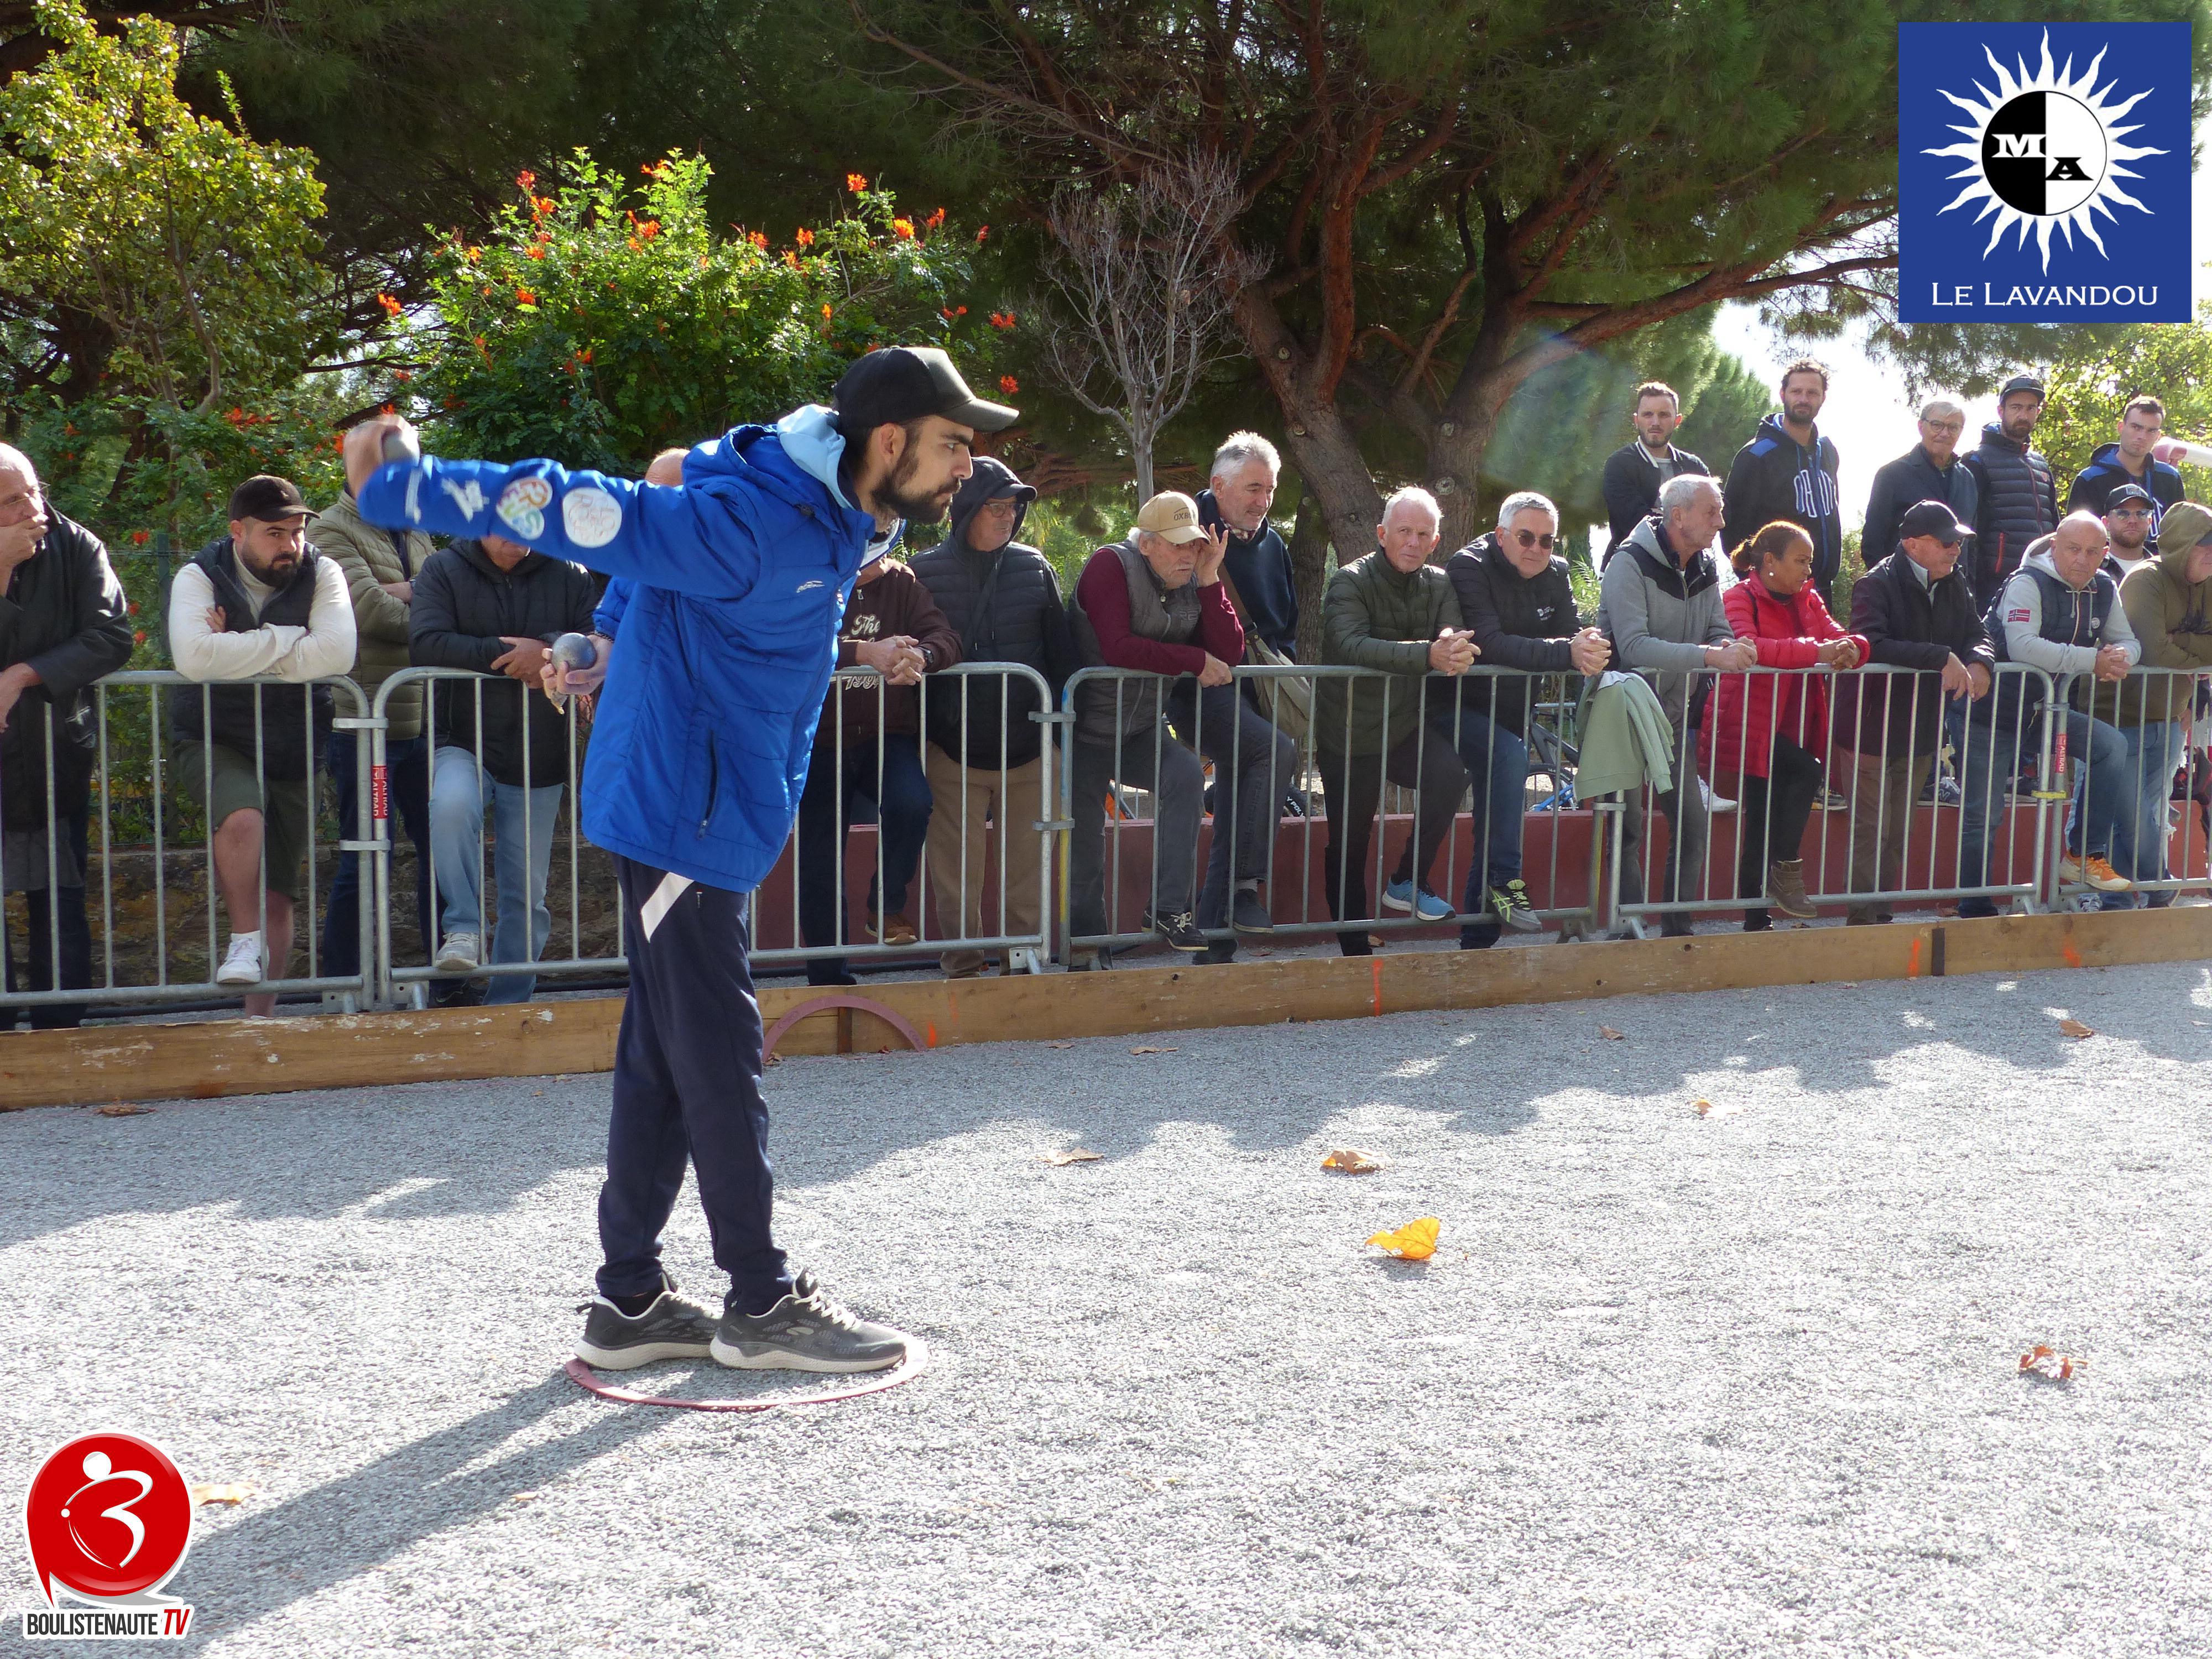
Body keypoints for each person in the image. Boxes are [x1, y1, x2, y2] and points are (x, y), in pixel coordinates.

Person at [357, 344, 1011, 1374]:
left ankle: (629, 1301)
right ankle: (759, 1299)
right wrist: (415, 485)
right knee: (717, 1047)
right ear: (889, 440)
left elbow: (657, 570)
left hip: (715, 807)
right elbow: (599, 513)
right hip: (683, 815)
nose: (967, 468)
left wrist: (605, 632)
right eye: (952, 445)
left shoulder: (833, 508)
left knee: (663, 1054)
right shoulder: (755, 516)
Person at [1066, 490, 1293, 963]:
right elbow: (1117, 647)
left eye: (1193, 544)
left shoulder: (1194, 575)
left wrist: (1211, 582)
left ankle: (1169, 910)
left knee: (1187, 774)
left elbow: (1230, 654)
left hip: (1141, 728)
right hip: (1083, 729)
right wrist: (1193, 660)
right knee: (1086, 848)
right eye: (1177, 545)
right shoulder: (1109, 565)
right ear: (1146, 544)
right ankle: (1087, 952)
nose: (1187, 554)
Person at [168, 474, 357, 1016]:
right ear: (237, 531)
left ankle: (260, 1022)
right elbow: (194, 658)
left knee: (280, 893)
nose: (290, 545)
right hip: (212, 735)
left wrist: (237, 648)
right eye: (275, 533)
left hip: (295, 744)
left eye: (297, 531)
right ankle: (243, 942)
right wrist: (291, 638)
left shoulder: (323, 572)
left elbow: (339, 653)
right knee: (243, 817)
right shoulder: (198, 574)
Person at [409, 530, 598, 1002]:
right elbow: (426, 644)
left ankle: (510, 1005)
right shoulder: (443, 568)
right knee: (451, 806)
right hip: (462, 738)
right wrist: (514, 654)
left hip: (541, 750)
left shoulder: (570, 570)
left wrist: (549, 652)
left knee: (525, 896)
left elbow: (592, 640)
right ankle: (464, 928)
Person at [910, 457, 1079, 978]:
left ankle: (1023, 961)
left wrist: (1058, 739)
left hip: (1029, 747)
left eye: (1012, 509)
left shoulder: (1034, 566)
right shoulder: (921, 572)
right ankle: (961, 964)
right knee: (954, 872)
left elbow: (1063, 656)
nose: (1007, 518)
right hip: (951, 749)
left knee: (1027, 870)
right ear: (964, 510)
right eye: (995, 507)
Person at [0, 445, 132, 1029]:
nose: (34, 508)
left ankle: (62, 1032)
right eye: (11, 501)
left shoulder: (78, 545)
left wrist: (23, 675)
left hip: (55, 753)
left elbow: (112, 637)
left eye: (34, 490)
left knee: (60, 896)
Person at [1314, 487, 1475, 954]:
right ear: (1382, 534)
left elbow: (1450, 626)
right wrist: (1429, 655)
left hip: (1403, 726)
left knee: (1450, 773)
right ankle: (1352, 944)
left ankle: (1407, 879)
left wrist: (1450, 644)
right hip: (1349, 733)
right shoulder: (1348, 580)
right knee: (1350, 838)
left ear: (1435, 541)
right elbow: (1350, 644)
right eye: (1403, 531)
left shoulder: (1440, 582)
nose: (1412, 541)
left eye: (1423, 534)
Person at [1444, 489, 1610, 945]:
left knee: (1493, 814)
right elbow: (1490, 643)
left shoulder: (1555, 572)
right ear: (1501, 535)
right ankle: (1505, 881)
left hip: (1513, 707)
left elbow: (1570, 629)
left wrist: (1589, 642)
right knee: (1510, 761)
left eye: (1547, 541)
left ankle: (1477, 942)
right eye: (1526, 537)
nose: (1537, 548)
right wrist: (1567, 653)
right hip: (1457, 705)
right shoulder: (1467, 565)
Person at [1599, 473, 1756, 936]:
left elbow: (1717, 628)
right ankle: (1625, 928)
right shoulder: (1627, 563)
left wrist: (1731, 645)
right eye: (1713, 512)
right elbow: (1633, 647)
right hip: (1623, 713)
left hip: (1672, 716)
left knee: (1691, 825)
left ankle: (1677, 929)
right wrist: (1712, 656)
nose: (1721, 521)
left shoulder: (1706, 564)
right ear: (1678, 515)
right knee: (1626, 830)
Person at [794, 544, 958, 985]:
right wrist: (865, 653)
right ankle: (828, 976)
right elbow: (793, 641)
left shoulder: (902, 581)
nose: (872, 564)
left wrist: (922, 656)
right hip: (821, 741)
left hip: (887, 736)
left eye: (879, 552)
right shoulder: (811, 575)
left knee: (912, 803)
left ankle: (885, 905)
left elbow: (945, 637)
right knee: (820, 859)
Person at [314, 422, 438, 988]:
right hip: (365, 725)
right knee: (368, 855)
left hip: (421, 723)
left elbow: (444, 595)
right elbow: (368, 615)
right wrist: (432, 613)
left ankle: (447, 976)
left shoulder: (414, 531)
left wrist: (413, 597)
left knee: (442, 855)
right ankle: (347, 980)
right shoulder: (330, 530)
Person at [1832, 500, 1997, 926]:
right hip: (1871, 725)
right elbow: (1870, 643)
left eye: (1958, 541)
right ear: (1912, 544)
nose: (1955, 549)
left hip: (1921, 726)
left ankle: (1881, 916)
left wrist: (1980, 660)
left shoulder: (1955, 580)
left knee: (1899, 831)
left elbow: (1978, 631)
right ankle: (1861, 921)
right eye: (1946, 541)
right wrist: (1939, 656)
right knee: (1871, 830)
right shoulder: (1875, 583)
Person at [1968, 511, 2141, 911]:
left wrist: (2120, 657)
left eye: (2093, 552)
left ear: (2104, 553)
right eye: (2074, 549)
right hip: (1989, 712)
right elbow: (2022, 647)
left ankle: (2083, 854)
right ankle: (1973, 908)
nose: (2083, 559)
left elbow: (2128, 640)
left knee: (2110, 746)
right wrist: (2093, 660)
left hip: (2046, 711)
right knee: (1984, 816)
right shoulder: (2027, 581)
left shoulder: (2104, 586)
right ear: (2055, 547)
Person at [1702, 522, 1867, 930]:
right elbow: (1751, 647)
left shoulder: (1808, 600)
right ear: (1769, 562)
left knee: (1761, 819)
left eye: (1810, 561)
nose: (1807, 571)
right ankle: (1786, 870)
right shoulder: (1738, 597)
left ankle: (1756, 919)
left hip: (1792, 723)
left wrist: (1853, 649)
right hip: (1749, 724)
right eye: (1800, 560)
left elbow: (1841, 638)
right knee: (1805, 772)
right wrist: (1819, 652)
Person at [2110, 499, 2212, 905]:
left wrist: (2181, 641)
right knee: (2130, 815)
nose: (2211, 555)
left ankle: (2141, 896)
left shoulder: (2207, 583)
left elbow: (2171, 648)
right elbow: (2151, 652)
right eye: (2205, 545)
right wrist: (2195, 654)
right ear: (2184, 545)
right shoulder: (2144, 580)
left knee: (2148, 814)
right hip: (2117, 718)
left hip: (2170, 719)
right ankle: (2151, 888)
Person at [1722, 358, 1843, 605]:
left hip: (1820, 590)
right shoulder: (1757, 455)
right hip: (1773, 594)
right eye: (1796, 391)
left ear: (1823, 398)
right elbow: (1733, 530)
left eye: (1812, 393)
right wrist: (1759, 583)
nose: (1803, 399)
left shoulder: (1828, 451)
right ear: (1783, 394)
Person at [1963, 375, 2059, 614]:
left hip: (2043, 580)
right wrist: (1970, 589)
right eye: (2016, 407)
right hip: (1994, 586)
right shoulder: (1976, 460)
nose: (2024, 415)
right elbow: (1968, 534)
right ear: (2001, 410)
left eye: (2031, 408)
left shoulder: (2040, 464)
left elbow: (2055, 525)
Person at [1197, 432, 1297, 658]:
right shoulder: (1187, 538)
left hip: (1269, 683)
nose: (1263, 503)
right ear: (1219, 487)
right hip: (1205, 683)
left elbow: (1288, 629)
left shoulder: (1275, 545)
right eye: (1254, 489)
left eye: (1270, 490)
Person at [1863, 399, 1977, 570]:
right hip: (1903, 586)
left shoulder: (1967, 478)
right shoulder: (1892, 475)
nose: (1945, 434)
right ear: (1921, 427)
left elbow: (1971, 547)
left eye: (1953, 428)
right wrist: (1886, 587)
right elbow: (1873, 542)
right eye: (1937, 425)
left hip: (1953, 589)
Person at [1601, 382, 1708, 550]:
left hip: (1691, 570)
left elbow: (1720, 512)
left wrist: (1664, 517)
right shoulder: (1619, 465)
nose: (1655, 422)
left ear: (1677, 420)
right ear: (1636, 420)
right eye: (1648, 415)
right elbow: (1637, 524)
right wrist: (1691, 519)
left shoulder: (1694, 467)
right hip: (1632, 565)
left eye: (1664, 415)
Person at [2068, 396, 2182, 551]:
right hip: (2106, 570)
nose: (2142, 436)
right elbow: (2076, 537)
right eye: (2136, 427)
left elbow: (2182, 532)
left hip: (2161, 569)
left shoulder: (2170, 478)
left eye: (2151, 431)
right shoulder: (2090, 479)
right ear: (2121, 427)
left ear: (2158, 436)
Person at [2099, 483, 2158, 585]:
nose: (2133, 520)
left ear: (2150, 522)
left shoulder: (2163, 566)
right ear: (2106, 523)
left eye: (2141, 514)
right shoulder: (2093, 566)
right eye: (2122, 514)